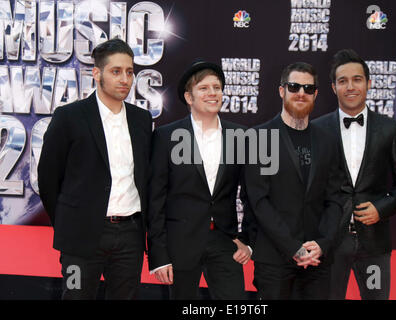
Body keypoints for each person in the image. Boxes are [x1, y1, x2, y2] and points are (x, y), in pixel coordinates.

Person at [37, 38, 152, 300]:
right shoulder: (69, 116)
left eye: (129, 72)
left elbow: (146, 176)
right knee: (76, 296)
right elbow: (48, 179)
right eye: (116, 71)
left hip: (129, 237)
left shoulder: (141, 119)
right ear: (97, 74)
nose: (125, 79)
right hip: (80, 238)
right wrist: (70, 223)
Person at [314, 49, 396, 300]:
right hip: (330, 244)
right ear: (333, 87)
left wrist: (382, 208)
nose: (350, 86)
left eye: (357, 79)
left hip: (374, 245)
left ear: (368, 84)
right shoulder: (317, 129)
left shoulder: (389, 129)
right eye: (343, 81)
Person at [148, 60, 253, 299]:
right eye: (204, 88)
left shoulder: (240, 136)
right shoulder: (167, 136)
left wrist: (247, 240)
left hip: (225, 242)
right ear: (189, 97)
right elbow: (155, 199)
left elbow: (252, 194)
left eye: (217, 87)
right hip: (180, 244)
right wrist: (159, 256)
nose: (212, 93)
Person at [244, 62, 343, 300]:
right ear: (281, 90)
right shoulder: (259, 137)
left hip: (317, 258)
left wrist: (323, 243)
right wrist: (292, 247)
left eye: (308, 88)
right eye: (294, 86)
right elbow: (258, 201)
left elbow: (336, 198)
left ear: (316, 94)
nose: (301, 93)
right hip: (274, 257)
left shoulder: (328, 140)